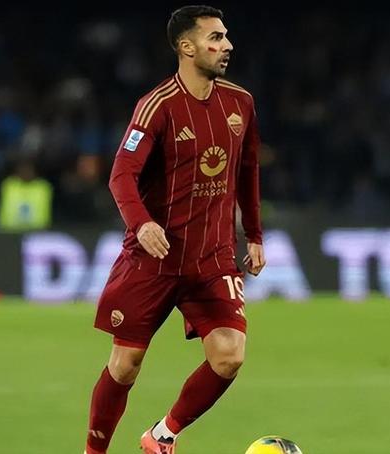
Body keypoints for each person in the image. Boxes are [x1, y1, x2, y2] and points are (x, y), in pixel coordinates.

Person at [84, 5, 265, 454]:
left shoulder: (241, 103)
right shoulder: (157, 106)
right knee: (125, 366)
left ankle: (162, 435)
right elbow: (121, 175)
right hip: (156, 258)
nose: (227, 45)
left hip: (212, 257)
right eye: (215, 38)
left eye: (226, 37)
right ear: (186, 47)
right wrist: (142, 223)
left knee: (229, 356)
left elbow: (248, 170)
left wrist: (255, 234)